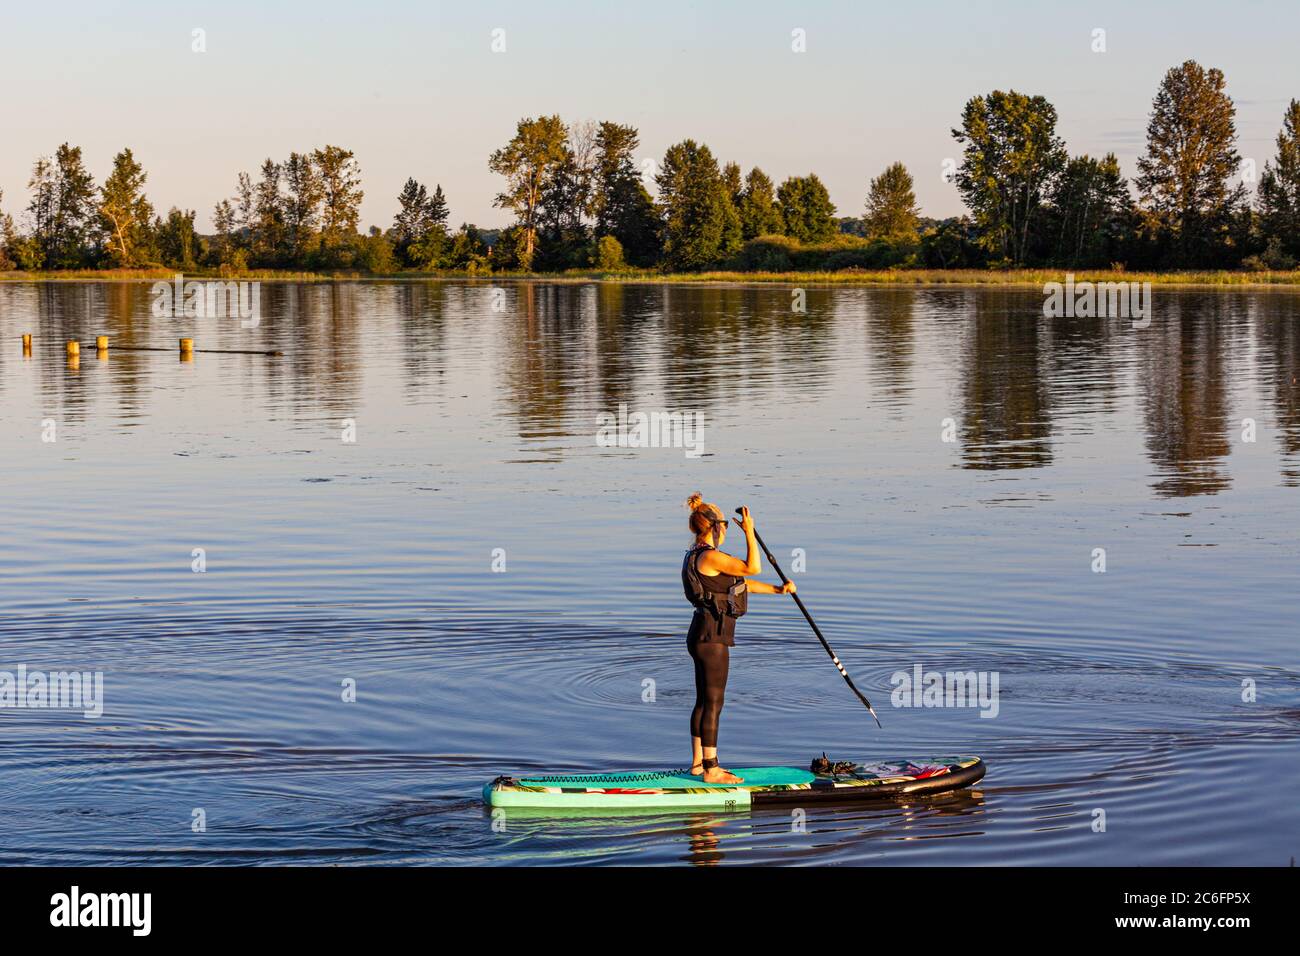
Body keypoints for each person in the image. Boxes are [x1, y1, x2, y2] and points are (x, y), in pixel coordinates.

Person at [681, 493, 795, 783]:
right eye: (726, 527)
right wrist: (749, 534)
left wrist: (777, 590)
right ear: (715, 526)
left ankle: (697, 764)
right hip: (713, 638)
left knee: (703, 701)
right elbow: (751, 567)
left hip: (700, 634)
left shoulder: (696, 554)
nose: (726, 531)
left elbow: (738, 585)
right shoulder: (711, 556)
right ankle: (712, 769)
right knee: (714, 702)